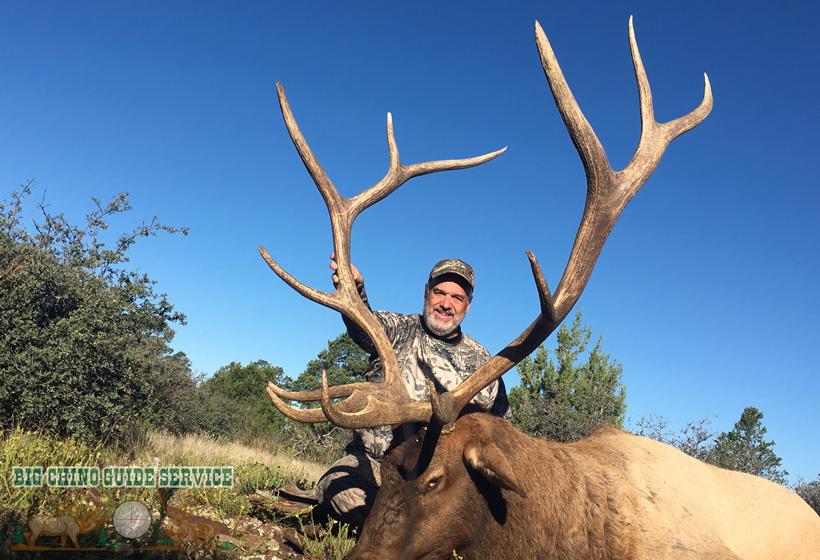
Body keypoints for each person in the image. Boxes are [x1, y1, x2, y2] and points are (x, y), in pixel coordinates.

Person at [314, 257, 509, 529]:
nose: (446, 303)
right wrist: (356, 292)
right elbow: (365, 328)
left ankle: (401, 532)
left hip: (438, 483)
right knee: (336, 485)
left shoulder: (483, 364)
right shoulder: (398, 330)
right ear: (426, 292)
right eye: (439, 292)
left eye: (457, 297)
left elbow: (503, 430)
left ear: (468, 305)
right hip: (373, 467)